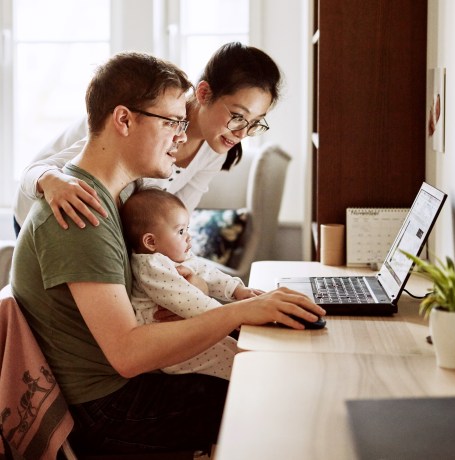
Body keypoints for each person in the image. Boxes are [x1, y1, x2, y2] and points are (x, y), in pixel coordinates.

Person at [11, 51, 326, 456]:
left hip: (115, 389)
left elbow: (175, 246)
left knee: (266, 376)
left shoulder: (124, 196)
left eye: (183, 122)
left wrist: (218, 294)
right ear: (124, 120)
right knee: (270, 401)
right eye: (173, 123)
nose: (182, 137)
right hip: (105, 410)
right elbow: (127, 353)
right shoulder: (81, 209)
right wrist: (237, 312)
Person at [14, 41, 283, 234]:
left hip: (97, 222)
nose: (242, 133)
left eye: (254, 123)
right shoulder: (145, 119)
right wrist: (52, 181)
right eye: (237, 115)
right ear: (203, 94)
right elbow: (34, 171)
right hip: (38, 210)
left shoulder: (214, 149)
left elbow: (177, 218)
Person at [120, 186, 263, 381]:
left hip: (189, 329)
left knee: (242, 350)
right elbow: (189, 301)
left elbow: (206, 273)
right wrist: (234, 317)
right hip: (169, 347)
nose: (189, 236)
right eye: (180, 231)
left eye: (187, 229)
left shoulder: (176, 257)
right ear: (151, 242)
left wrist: (237, 290)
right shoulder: (152, 266)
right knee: (236, 361)